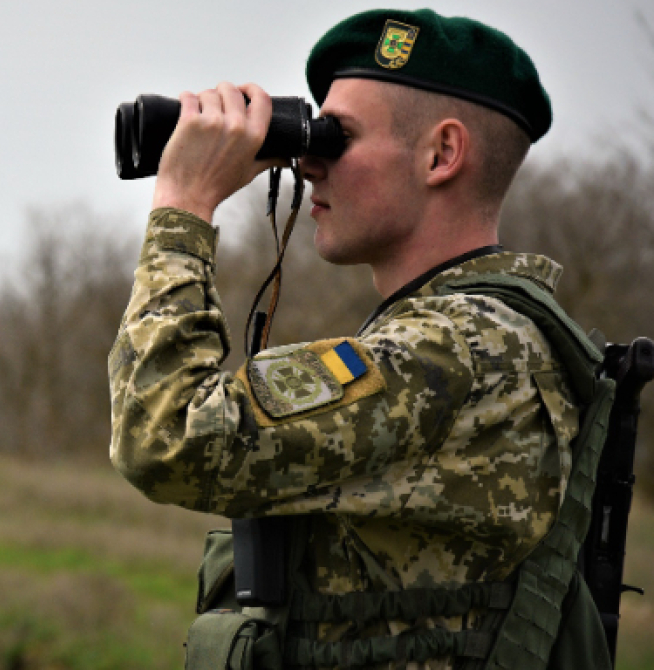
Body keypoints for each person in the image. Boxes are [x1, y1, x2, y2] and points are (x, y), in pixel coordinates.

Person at [108, 8, 612, 669]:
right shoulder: (472, 338)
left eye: (337, 136)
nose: (310, 160)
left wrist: (185, 204)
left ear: (442, 154)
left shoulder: (457, 351)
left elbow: (165, 438)